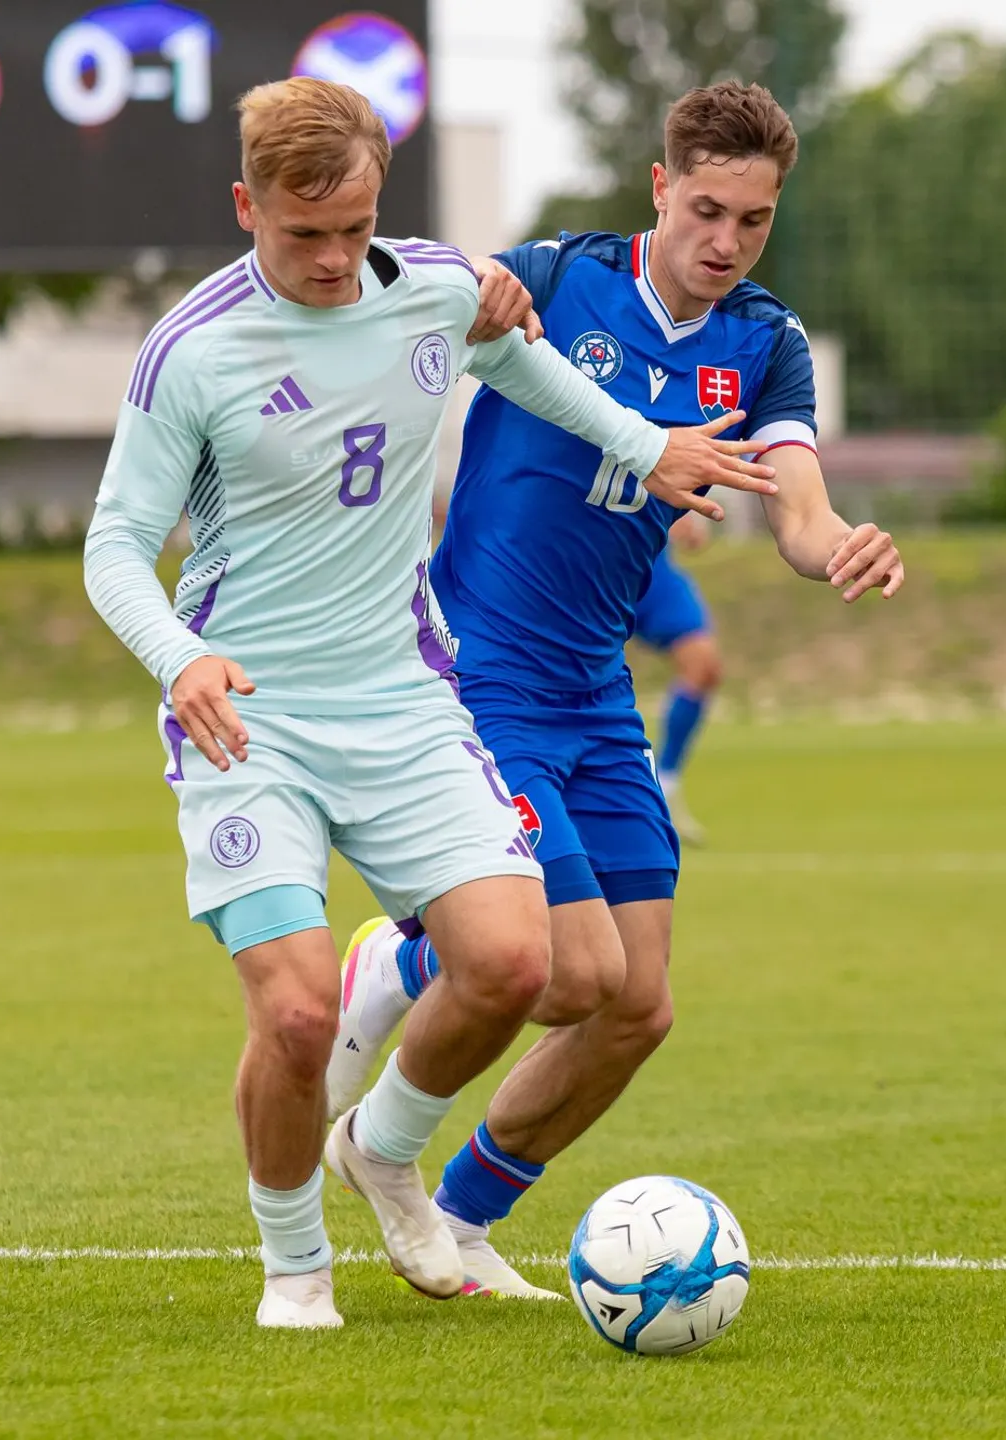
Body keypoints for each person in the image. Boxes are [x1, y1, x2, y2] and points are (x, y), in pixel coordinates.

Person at [81, 78, 777, 1330]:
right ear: (247, 207)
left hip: (405, 700)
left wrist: (646, 447)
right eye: (305, 235)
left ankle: (383, 1149)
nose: (339, 259)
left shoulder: (434, 290)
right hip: (249, 716)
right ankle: (294, 1266)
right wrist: (177, 655)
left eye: (357, 228)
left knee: (520, 968)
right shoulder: (191, 347)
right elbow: (114, 545)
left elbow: (540, 374)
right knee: (294, 1015)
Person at [326, 82, 906, 1299]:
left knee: (637, 1006)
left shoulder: (764, 344)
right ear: (660, 186)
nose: (727, 241)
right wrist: (473, 284)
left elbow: (795, 504)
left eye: (754, 220)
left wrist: (840, 540)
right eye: (708, 208)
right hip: (479, 671)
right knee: (565, 971)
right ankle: (381, 1136)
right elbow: (408, 284)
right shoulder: (561, 277)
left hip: (596, 693)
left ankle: (469, 1219)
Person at [631, 514, 721, 844]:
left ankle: (665, 783)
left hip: (653, 568)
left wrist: (687, 515)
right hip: (588, 561)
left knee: (704, 667)